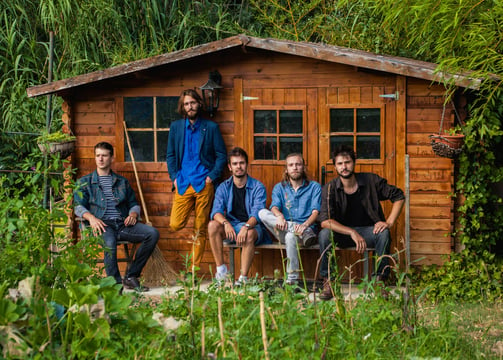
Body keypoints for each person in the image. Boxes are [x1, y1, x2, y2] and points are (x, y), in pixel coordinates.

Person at [318, 145, 405, 300]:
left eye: (347, 162)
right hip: (343, 234)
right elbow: (325, 221)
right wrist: (352, 232)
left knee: (384, 233)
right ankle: (329, 282)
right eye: (339, 164)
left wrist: (389, 222)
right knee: (324, 235)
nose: (344, 167)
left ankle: (379, 282)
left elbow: (399, 196)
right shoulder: (329, 188)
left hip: (369, 231)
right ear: (335, 166)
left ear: (354, 163)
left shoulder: (371, 180)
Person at [74, 142, 159, 292]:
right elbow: (78, 206)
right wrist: (91, 218)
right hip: (102, 225)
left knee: (152, 233)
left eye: (104, 156)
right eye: (98, 155)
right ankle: (116, 287)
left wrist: (133, 213)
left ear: (111, 158)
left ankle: (132, 276)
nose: (100, 159)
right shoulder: (85, 182)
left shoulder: (122, 182)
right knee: (110, 243)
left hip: (122, 224)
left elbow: (134, 203)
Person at [166, 89, 227, 273]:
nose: (190, 107)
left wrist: (212, 177)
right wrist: (175, 177)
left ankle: (193, 270)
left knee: (200, 229)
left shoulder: (210, 127)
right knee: (175, 224)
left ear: (199, 104)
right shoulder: (176, 128)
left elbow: (221, 155)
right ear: (182, 107)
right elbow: (170, 155)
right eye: (186, 104)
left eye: (192, 103)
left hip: (203, 183)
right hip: (183, 183)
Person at [208, 147, 270, 285]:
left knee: (248, 234)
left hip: (253, 228)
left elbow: (258, 213)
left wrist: (246, 226)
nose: (239, 167)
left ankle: (243, 279)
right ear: (230, 167)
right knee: (212, 225)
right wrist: (225, 223)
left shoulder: (257, 187)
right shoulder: (223, 187)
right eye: (235, 164)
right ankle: (222, 272)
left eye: (241, 163)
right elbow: (216, 211)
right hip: (232, 225)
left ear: (246, 165)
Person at [258, 153, 321, 285]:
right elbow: (274, 207)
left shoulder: (314, 187)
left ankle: (291, 280)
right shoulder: (279, 188)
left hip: (306, 232)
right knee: (263, 212)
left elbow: (316, 212)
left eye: (298, 164)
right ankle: (293, 228)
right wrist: (279, 216)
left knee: (290, 237)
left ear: (303, 167)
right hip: (284, 228)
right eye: (291, 165)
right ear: (286, 169)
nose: (295, 168)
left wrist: (304, 226)